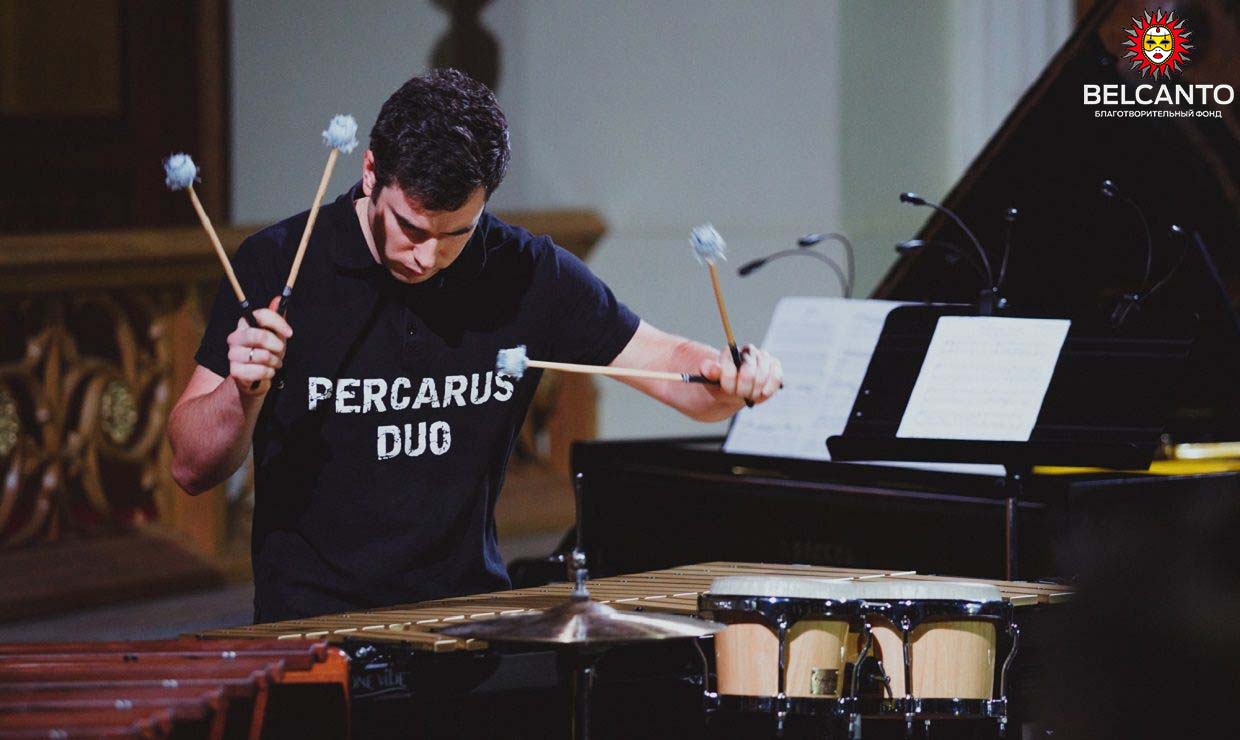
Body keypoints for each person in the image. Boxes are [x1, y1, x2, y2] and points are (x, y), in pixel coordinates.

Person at [167, 69, 783, 622]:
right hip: (310, 626)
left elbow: (675, 372)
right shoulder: (280, 262)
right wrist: (243, 391)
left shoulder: (526, 272)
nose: (428, 257)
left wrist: (727, 378)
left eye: (456, 234)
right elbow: (191, 467)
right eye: (411, 228)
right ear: (370, 172)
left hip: (468, 621)